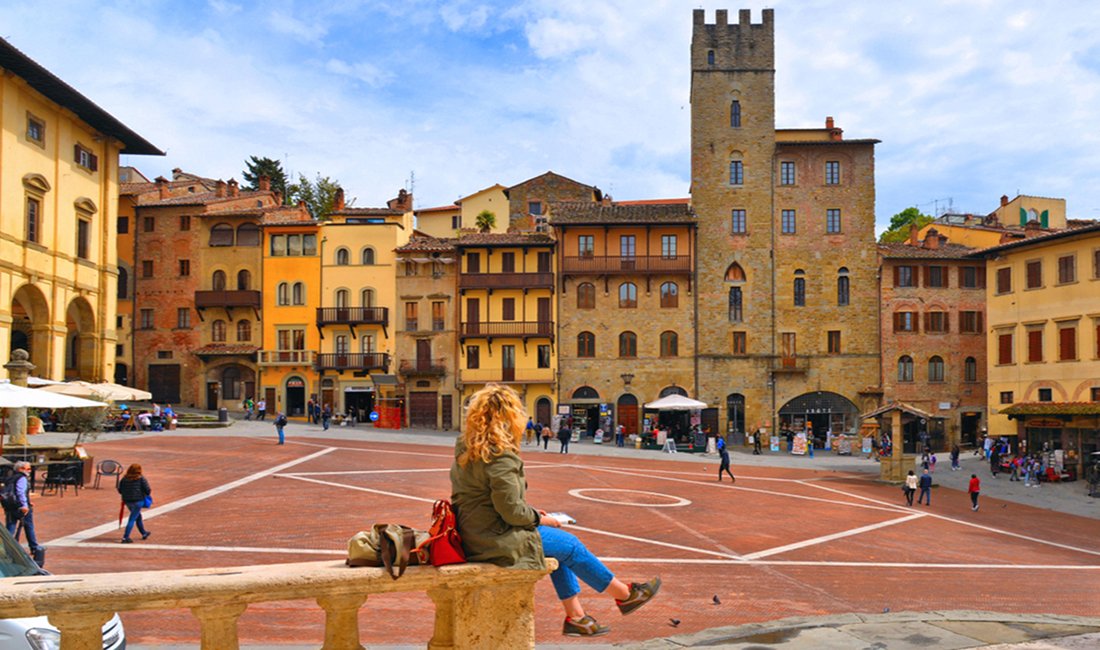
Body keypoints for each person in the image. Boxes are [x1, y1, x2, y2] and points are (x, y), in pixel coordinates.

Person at [451, 384, 660, 637]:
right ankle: (625, 595)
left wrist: (530, 512)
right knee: (570, 545)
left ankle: (577, 617)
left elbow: (487, 500)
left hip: (475, 531)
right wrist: (541, 518)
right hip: (495, 539)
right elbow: (511, 513)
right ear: (509, 417)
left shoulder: (467, 448)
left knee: (559, 548)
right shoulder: (499, 456)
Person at [3, 461, 41, 557]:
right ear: (20, 469)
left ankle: (8, 548)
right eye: (27, 469)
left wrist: (28, 501)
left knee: (10, 527)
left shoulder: (11, 477)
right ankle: (34, 547)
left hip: (10, 506)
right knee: (29, 526)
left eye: (29, 469)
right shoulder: (22, 478)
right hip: (20, 507)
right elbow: (20, 492)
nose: (29, 471)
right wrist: (25, 505)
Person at [117, 463, 152, 544]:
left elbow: (120, 490)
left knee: (138, 516)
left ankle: (143, 532)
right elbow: (148, 490)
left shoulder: (124, 478)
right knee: (132, 518)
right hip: (138, 500)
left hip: (127, 501)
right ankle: (125, 537)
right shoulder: (141, 478)